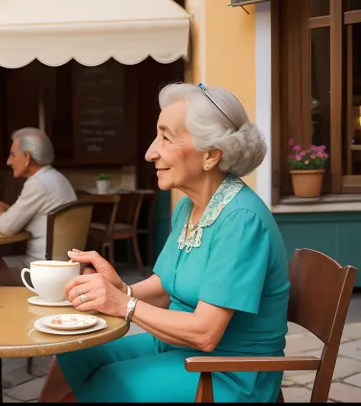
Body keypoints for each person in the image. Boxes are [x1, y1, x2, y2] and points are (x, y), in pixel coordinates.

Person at [37, 83, 290, 402]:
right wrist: (118, 290)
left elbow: (205, 333)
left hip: (230, 372)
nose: (150, 152)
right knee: (72, 352)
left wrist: (122, 304)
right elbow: (165, 285)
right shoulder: (189, 206)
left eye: (166, 138)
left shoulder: (241, 220)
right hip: (180, 349)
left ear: (210, 155)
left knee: (111, 384)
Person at [0, 128, 76, 272]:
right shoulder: (58, 177)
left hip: (43, 268)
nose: (8, 162)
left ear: (27, 157)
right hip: (66, 265)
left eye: (12, 155)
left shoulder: (38, 183)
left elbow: (6, 227)